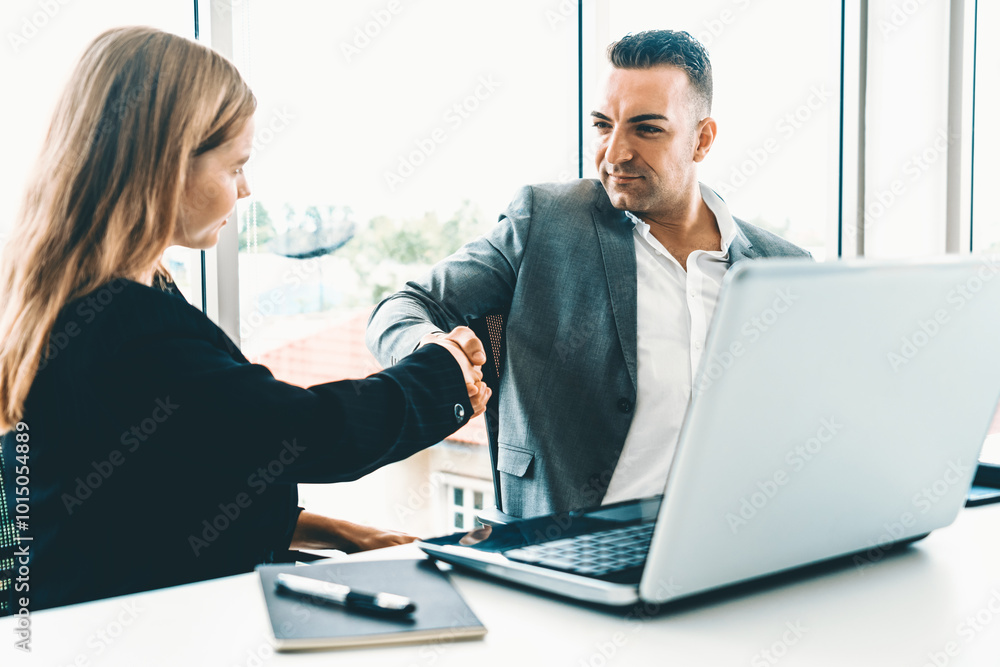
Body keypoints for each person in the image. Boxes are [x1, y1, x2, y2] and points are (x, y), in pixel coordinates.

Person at [0, 26, 489, 612]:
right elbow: (300, 434)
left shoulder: (73, 296)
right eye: (235, 167)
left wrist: (342, 533)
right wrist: (441, 373)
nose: (247, 188)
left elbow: (177, 479)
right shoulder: (126, 325)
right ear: (165, 166)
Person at [366, 30, 810, 519]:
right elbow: (403, 308)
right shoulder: (545, 222)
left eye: (647, 129)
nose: (615, 154)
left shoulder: (784, 269)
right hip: (563, 540)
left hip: (729, 538)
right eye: (602, 125)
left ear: (701, 140)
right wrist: (432, 347)